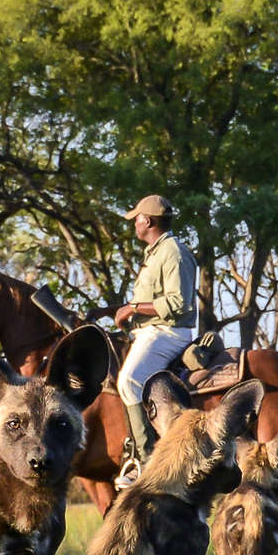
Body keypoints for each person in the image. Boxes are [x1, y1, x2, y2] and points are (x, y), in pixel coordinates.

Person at [105, 194, 199, 487]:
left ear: (147, 221)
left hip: (168, 332)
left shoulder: (173, 252)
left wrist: (132, 309)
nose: (134, 223)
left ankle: (146, 461)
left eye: (136, 218)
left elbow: (178, 302)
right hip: (149, 330)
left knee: (129, 380)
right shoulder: (156, 252)